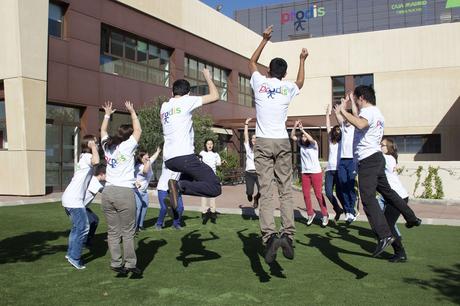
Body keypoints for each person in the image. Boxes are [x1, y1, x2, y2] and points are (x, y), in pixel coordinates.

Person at [336, 86, 421, 257]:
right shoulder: (377, 112)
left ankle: (384, 235)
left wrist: (342, 111)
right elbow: (360, 119)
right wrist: (351, 103)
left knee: (367, 198)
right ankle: (411, 217)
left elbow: (359, 122)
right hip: (375, 159)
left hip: (368, 161)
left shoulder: (368, 113)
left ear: (362, 98)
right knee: (387, 192)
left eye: (357, 100)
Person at [249, 24, 308, 263]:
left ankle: (269, 236)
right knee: (285, 190)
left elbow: (251, 61)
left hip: (263, 142)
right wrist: (302, 59)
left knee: (266, 192)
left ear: (268, 70)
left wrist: (264, 39)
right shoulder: (287, 87)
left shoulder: (259, 82)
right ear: (283, 74)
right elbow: (301, 82)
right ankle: (289, 235)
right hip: (283, 142)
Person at [161, 68, 221, 212]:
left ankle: (174, 192)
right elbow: (215, 96)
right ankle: (178, 186)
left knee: (190, 178)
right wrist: (207, 77)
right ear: (188, 93)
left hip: (169, 160)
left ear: (172, 93)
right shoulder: (186, 101)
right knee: (215, 187)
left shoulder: (164, 107)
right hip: (184, 157)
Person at [100, 100, 142, 275]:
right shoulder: (127, 146)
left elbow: (102, 131)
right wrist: (132, 111)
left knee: (113, 232)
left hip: (107, 192)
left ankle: (116, 263)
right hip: (124, 192)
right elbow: (138, 130)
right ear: (128, 136)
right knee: (128, 232)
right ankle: (130, 265)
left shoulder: (107, 146)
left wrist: (107, 114)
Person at [61, 135, 100, 269]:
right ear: (89, 144)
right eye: (95, 142)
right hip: (74, 200)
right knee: (83, 228)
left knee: (77, 228)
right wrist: (93, 147)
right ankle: (74, 257)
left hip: (70, 198)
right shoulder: (88, 157)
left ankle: (70, 254)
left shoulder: (83, 157)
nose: (97, 144)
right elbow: (96, 161)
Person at [291, 120, 329, 227]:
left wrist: (303, 130)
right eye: (302, 136)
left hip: (316, 173)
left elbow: (311, 139)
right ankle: (310, 214)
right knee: (306, 195)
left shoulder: (314, 145)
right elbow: (292, 136)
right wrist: (295, 126)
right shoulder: (301, 145)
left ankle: (325, 215)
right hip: (305, 173)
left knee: (318, 194)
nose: (303, 137)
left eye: (305, 136)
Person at [378, 137, 409, 262]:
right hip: (392, 197)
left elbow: (376, 156)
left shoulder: (388, 158)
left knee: (388, 225)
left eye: (382, 145)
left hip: (398, 197)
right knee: (387, 224)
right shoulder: (385, 158)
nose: (380, 147)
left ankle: (400, 252)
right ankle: (399, 251)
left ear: (389, 148)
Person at [334, 96, 358, 224]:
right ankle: (348, 210)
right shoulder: (343, 126)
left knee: (349, 186)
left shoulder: (355, 127)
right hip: (343, 161)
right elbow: (338, 113)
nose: (347, 119)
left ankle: (352, 211)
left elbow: (355, 113)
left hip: (352, 160)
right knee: (343, 185)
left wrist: (351, 101)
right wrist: (343, 104)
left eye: (349, 117)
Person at [325, 104, 345, 222]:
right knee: (328, 192)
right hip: (329, 170)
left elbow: (343, 125)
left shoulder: (343, 141)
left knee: (339, 192)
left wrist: (340, 112)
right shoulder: (330, 140)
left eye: (339, 130)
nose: (337, 131)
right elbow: (328, 125)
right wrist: (327, 114)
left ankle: (348, 211)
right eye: (336, 130)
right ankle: (337, 209)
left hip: (339, 169)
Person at [134, 147, 161, 232]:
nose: (148, 156)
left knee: (145, 206)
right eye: (145, 155)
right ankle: (134, 227)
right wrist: (147, 161)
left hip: (144, 191)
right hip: (136, 191)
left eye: (147, 155)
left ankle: (141, 225)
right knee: (138, 208)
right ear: (141, 158)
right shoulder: (139, 167)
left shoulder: (148, 163)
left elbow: (152, 158)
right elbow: (145, 171)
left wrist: (158, 151)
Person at [82, 164, 107, 247]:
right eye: (107, 174)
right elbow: (105, 191)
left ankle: (87, 241)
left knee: (95, 220)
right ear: (101, 174)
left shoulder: (94, 180)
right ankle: (83, 242)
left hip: (83, 207)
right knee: (87, 223)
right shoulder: (94, 182)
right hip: (79, 207)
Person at [155, 162, 184, 230]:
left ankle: (176, 224)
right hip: (163, 188)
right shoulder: (167, 163)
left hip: (175, 189)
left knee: (180, 207)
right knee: (164, 208)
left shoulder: (181, 165)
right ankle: (159, 224)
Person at [199, 139, 222, 224]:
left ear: (213, 145)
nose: (210, 145)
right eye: (208, 144)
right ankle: (204, 213)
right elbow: (199, 163)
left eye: (211, 144)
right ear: (205, 145)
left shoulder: (216, 154)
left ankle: (213, 213)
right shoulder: (202, 153)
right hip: (204, 176)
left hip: (213, 176)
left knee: (212, 194)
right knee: (204, 194)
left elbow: (218, 163)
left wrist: (221, 162)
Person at [243, 118, 260, 209]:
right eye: (253, 138)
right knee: (249, 192)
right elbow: (245, 135)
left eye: (256, 138)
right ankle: (249, 194)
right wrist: (246, 124)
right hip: (249, 173)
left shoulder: (261, 149)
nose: (254, 139)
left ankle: (256, 198)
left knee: (262, 190)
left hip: (258, 173)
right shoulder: (248, 148)